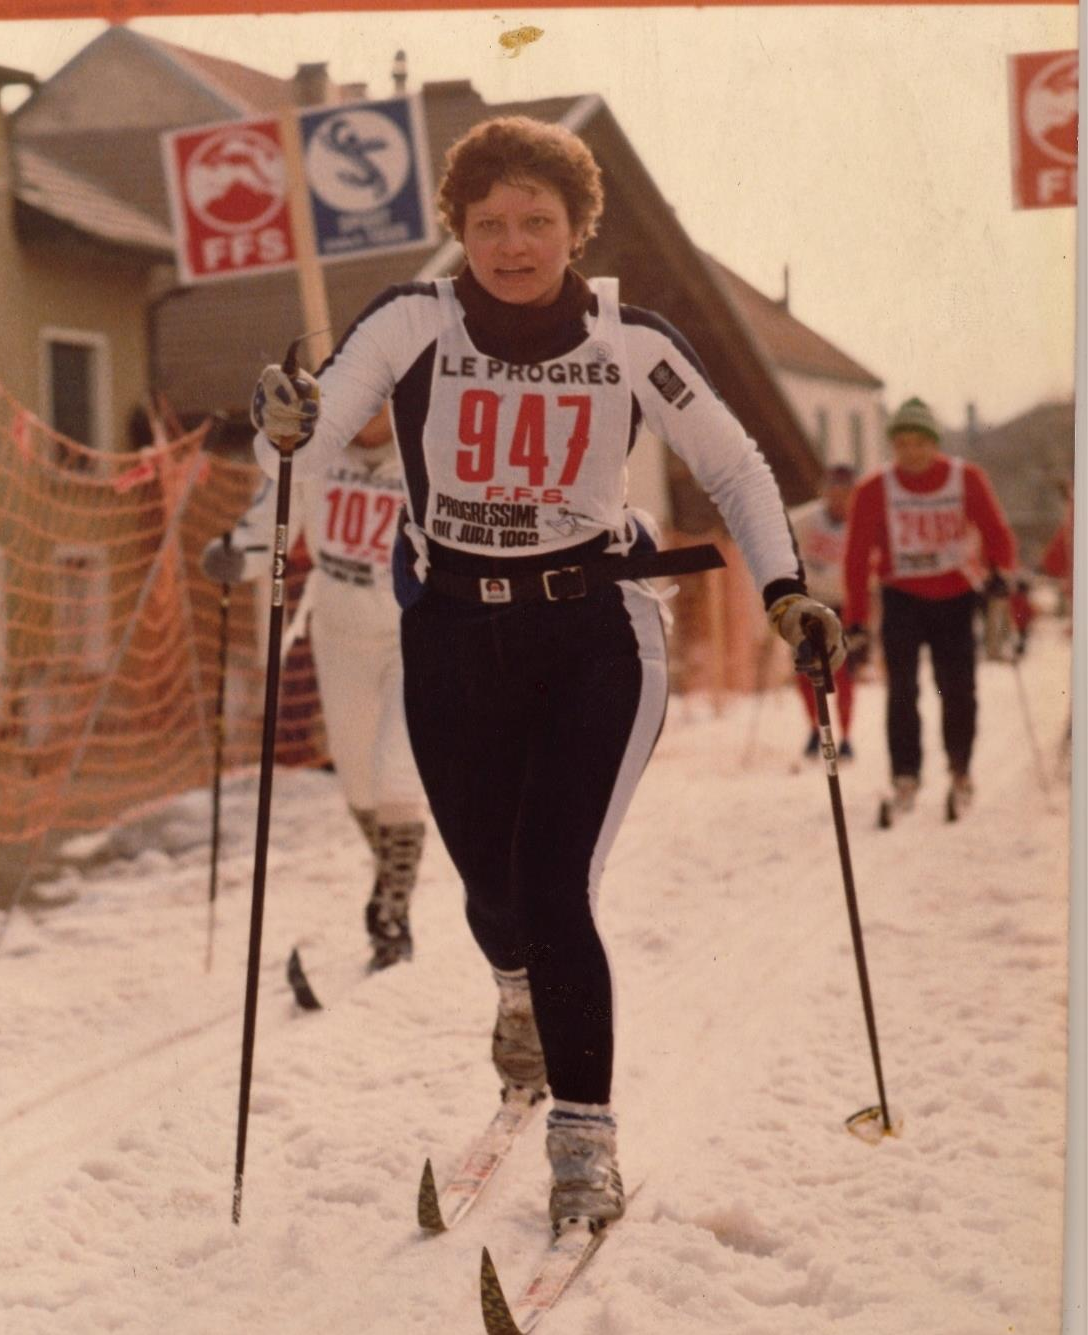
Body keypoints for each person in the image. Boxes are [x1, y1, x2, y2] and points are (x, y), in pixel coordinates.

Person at [248, 116, 844, 1234]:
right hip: (455, 639)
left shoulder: (631, 340)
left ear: (578, 228)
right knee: (490, 896)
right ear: (457, 231)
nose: (512, 244)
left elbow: (735, 461)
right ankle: (516, 994)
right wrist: (283, 428)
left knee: (555, 887)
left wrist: (784, 590)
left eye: (536, 221)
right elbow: (315, 432)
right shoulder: (412, 321)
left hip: (592, 639)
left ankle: (585, 1141)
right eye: (488, 224)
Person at [202, 410, 427, 970]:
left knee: (396, 771)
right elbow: (269, 528)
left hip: (413, 636)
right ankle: (388, 876)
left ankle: (393, 916)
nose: (365, 413)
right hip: (340, 636)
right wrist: (236, 555)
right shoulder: (314, 457)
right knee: (357, 782)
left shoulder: (427, 452)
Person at [842, 396, 1016, 817]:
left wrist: (1001, 573)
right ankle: (905, 774)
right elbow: (856, 557)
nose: (911, 453)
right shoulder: (874, 489)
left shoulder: (966, 478)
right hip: (902, 597)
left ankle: (960, 767)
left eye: (920, 443)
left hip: (956, 595)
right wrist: (857, 622)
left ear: (934, 443)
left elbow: (997, 533)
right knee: (901, 689)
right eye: (902, 444)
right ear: (893, 447)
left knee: (957, 688)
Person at [788, 463, 859, 760]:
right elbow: (783, 545)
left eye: (846, 492)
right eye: (834, 490)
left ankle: (844, 736)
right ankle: (816, 730)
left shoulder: (860, 522)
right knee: (806, 670)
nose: (839, 498)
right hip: (810, 601)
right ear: (824, 491)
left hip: (845, 604)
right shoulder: (805, 519)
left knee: (843, 672)